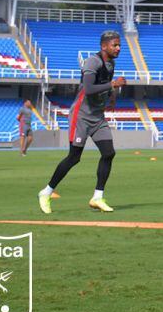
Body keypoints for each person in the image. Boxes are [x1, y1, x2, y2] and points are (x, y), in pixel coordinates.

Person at [38, 30, 126, 214]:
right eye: (115, 45)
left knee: (109, 153)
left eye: (119, 45)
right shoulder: (93, 62)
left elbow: (105, 84)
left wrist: (111, 96)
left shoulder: (111, 64)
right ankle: (46, 192)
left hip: (97, 116)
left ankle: (97, 197)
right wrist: (113, 85)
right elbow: (88, 88)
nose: (118, 48)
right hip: (81, 116)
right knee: (74, 157)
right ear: (104, 46)